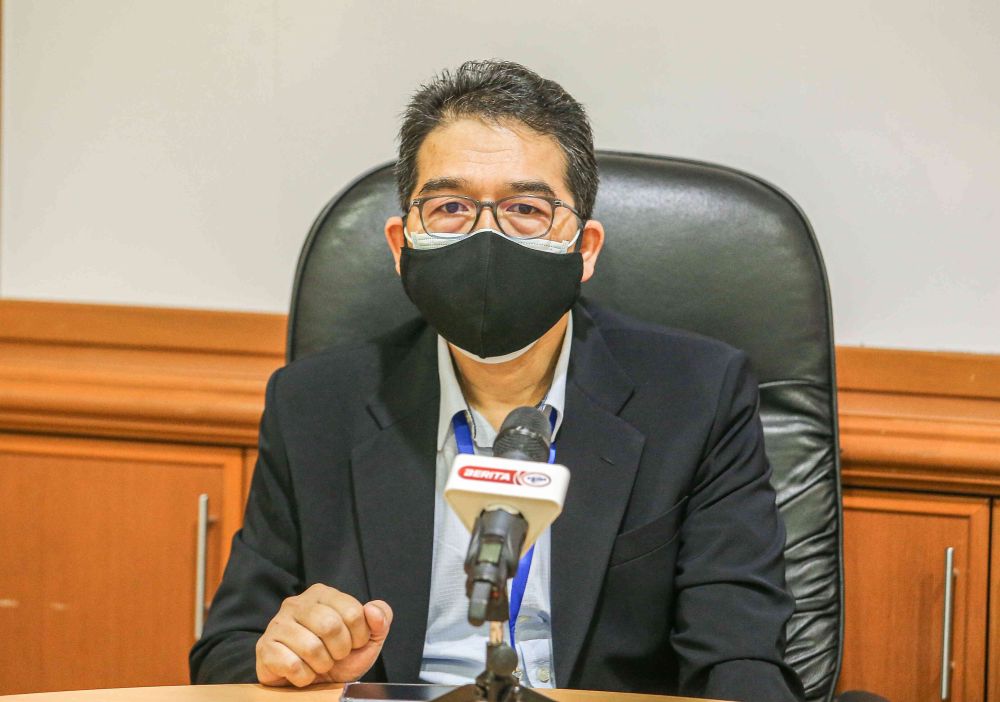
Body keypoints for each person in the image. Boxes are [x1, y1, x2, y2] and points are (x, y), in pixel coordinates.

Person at [190, 60, 805, 701]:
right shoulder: (316, 404)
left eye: (526, 208)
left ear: (584, 247)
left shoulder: (696, 397)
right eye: (451, 206)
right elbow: (229, 653)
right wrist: (290, 654)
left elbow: (740, 662)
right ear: (402, 244)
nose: (487, 235)